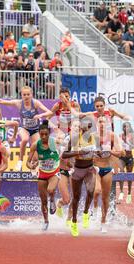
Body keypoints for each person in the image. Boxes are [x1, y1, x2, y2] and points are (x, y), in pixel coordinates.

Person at [0, 86, 53, 171]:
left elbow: (50, 112)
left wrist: (40, 115)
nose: (26, 96)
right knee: (25, 139)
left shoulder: (36, 103)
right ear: (21, 95)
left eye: (28, 94)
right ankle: (20, 161)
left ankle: (33, 167)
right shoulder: (18, 103)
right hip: (24, 128)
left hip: (35, 129)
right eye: (24, 95)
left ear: (31, 95)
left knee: (36, 151)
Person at [48, 88, 81, 223]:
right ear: (60, 97)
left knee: (75, 196)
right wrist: (55, 128)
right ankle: (60, 203)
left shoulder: (75, 105)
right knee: (66, 199)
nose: (65, 99)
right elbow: (48, 119)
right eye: (63, 97)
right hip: (61, 137)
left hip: (73, 137)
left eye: (67, 96)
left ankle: (69, 220)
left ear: (70, 96)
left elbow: (79, 119)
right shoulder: (57, 106)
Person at [62, 117, 98, 237]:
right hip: (77, 170)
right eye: (85, 127)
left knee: (91, 191)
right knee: (76, 198)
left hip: (89, 169)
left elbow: (99, 152)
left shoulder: (95, 138)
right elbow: (64, 154)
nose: (87, 129)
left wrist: (98, 153)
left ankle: (86, 213)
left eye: (89, 127)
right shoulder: (74, 139)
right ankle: (74, 222)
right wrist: (79, 152)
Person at [26, 121, 61, 231]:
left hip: (54, 172)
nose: (44, 136)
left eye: (46, 134)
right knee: (43, 200)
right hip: (42, 173)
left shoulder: (54, 143)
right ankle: (46, 221)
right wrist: (31, 166)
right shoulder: (35, 145)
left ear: (49, 134)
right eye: (42, 134)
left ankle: (53, 200)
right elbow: (28, 162)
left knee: (51, 190)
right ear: (39, 134)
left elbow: (64, 152)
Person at [92, 116, 123, 233]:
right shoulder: (92, 136)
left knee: (105, 197)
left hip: (107, 168)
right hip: (95, 168)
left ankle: (103, 222)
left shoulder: (112, 136)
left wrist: (110, 151)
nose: (101, 124)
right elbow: (84, 151)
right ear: (96, 123)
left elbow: (120, 153)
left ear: (107, 124)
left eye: (104, 122)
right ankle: (94, 209)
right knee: (97, 191)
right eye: (99, 122)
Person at [118, 122, 134, 204]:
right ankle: (121, 192)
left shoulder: (133, 136)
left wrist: (130, 143)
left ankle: (129, 193)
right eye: (125, 127)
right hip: (122, 157)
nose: (126, 128)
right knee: (121, 172)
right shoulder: (120, 136)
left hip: (129, 158)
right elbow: (117, 145)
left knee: (129, 175)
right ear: (123, 128)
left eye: (128, 127)